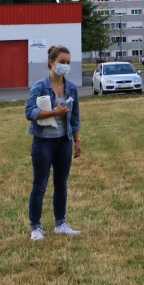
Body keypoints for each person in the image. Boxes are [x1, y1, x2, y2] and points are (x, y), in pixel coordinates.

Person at [24, 45, 82, 241]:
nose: (65, 66)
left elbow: (74, 117)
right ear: (52, 62)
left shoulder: (71, 88)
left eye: (68, 63)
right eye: (62, 62)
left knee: (61, 184)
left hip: (63, 143)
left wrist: (76, 141)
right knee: (39, 185)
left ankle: (60, 223)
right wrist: (54, 113)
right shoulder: (40, 87)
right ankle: (36, 227)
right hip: (43, 143)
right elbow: (29, 112)